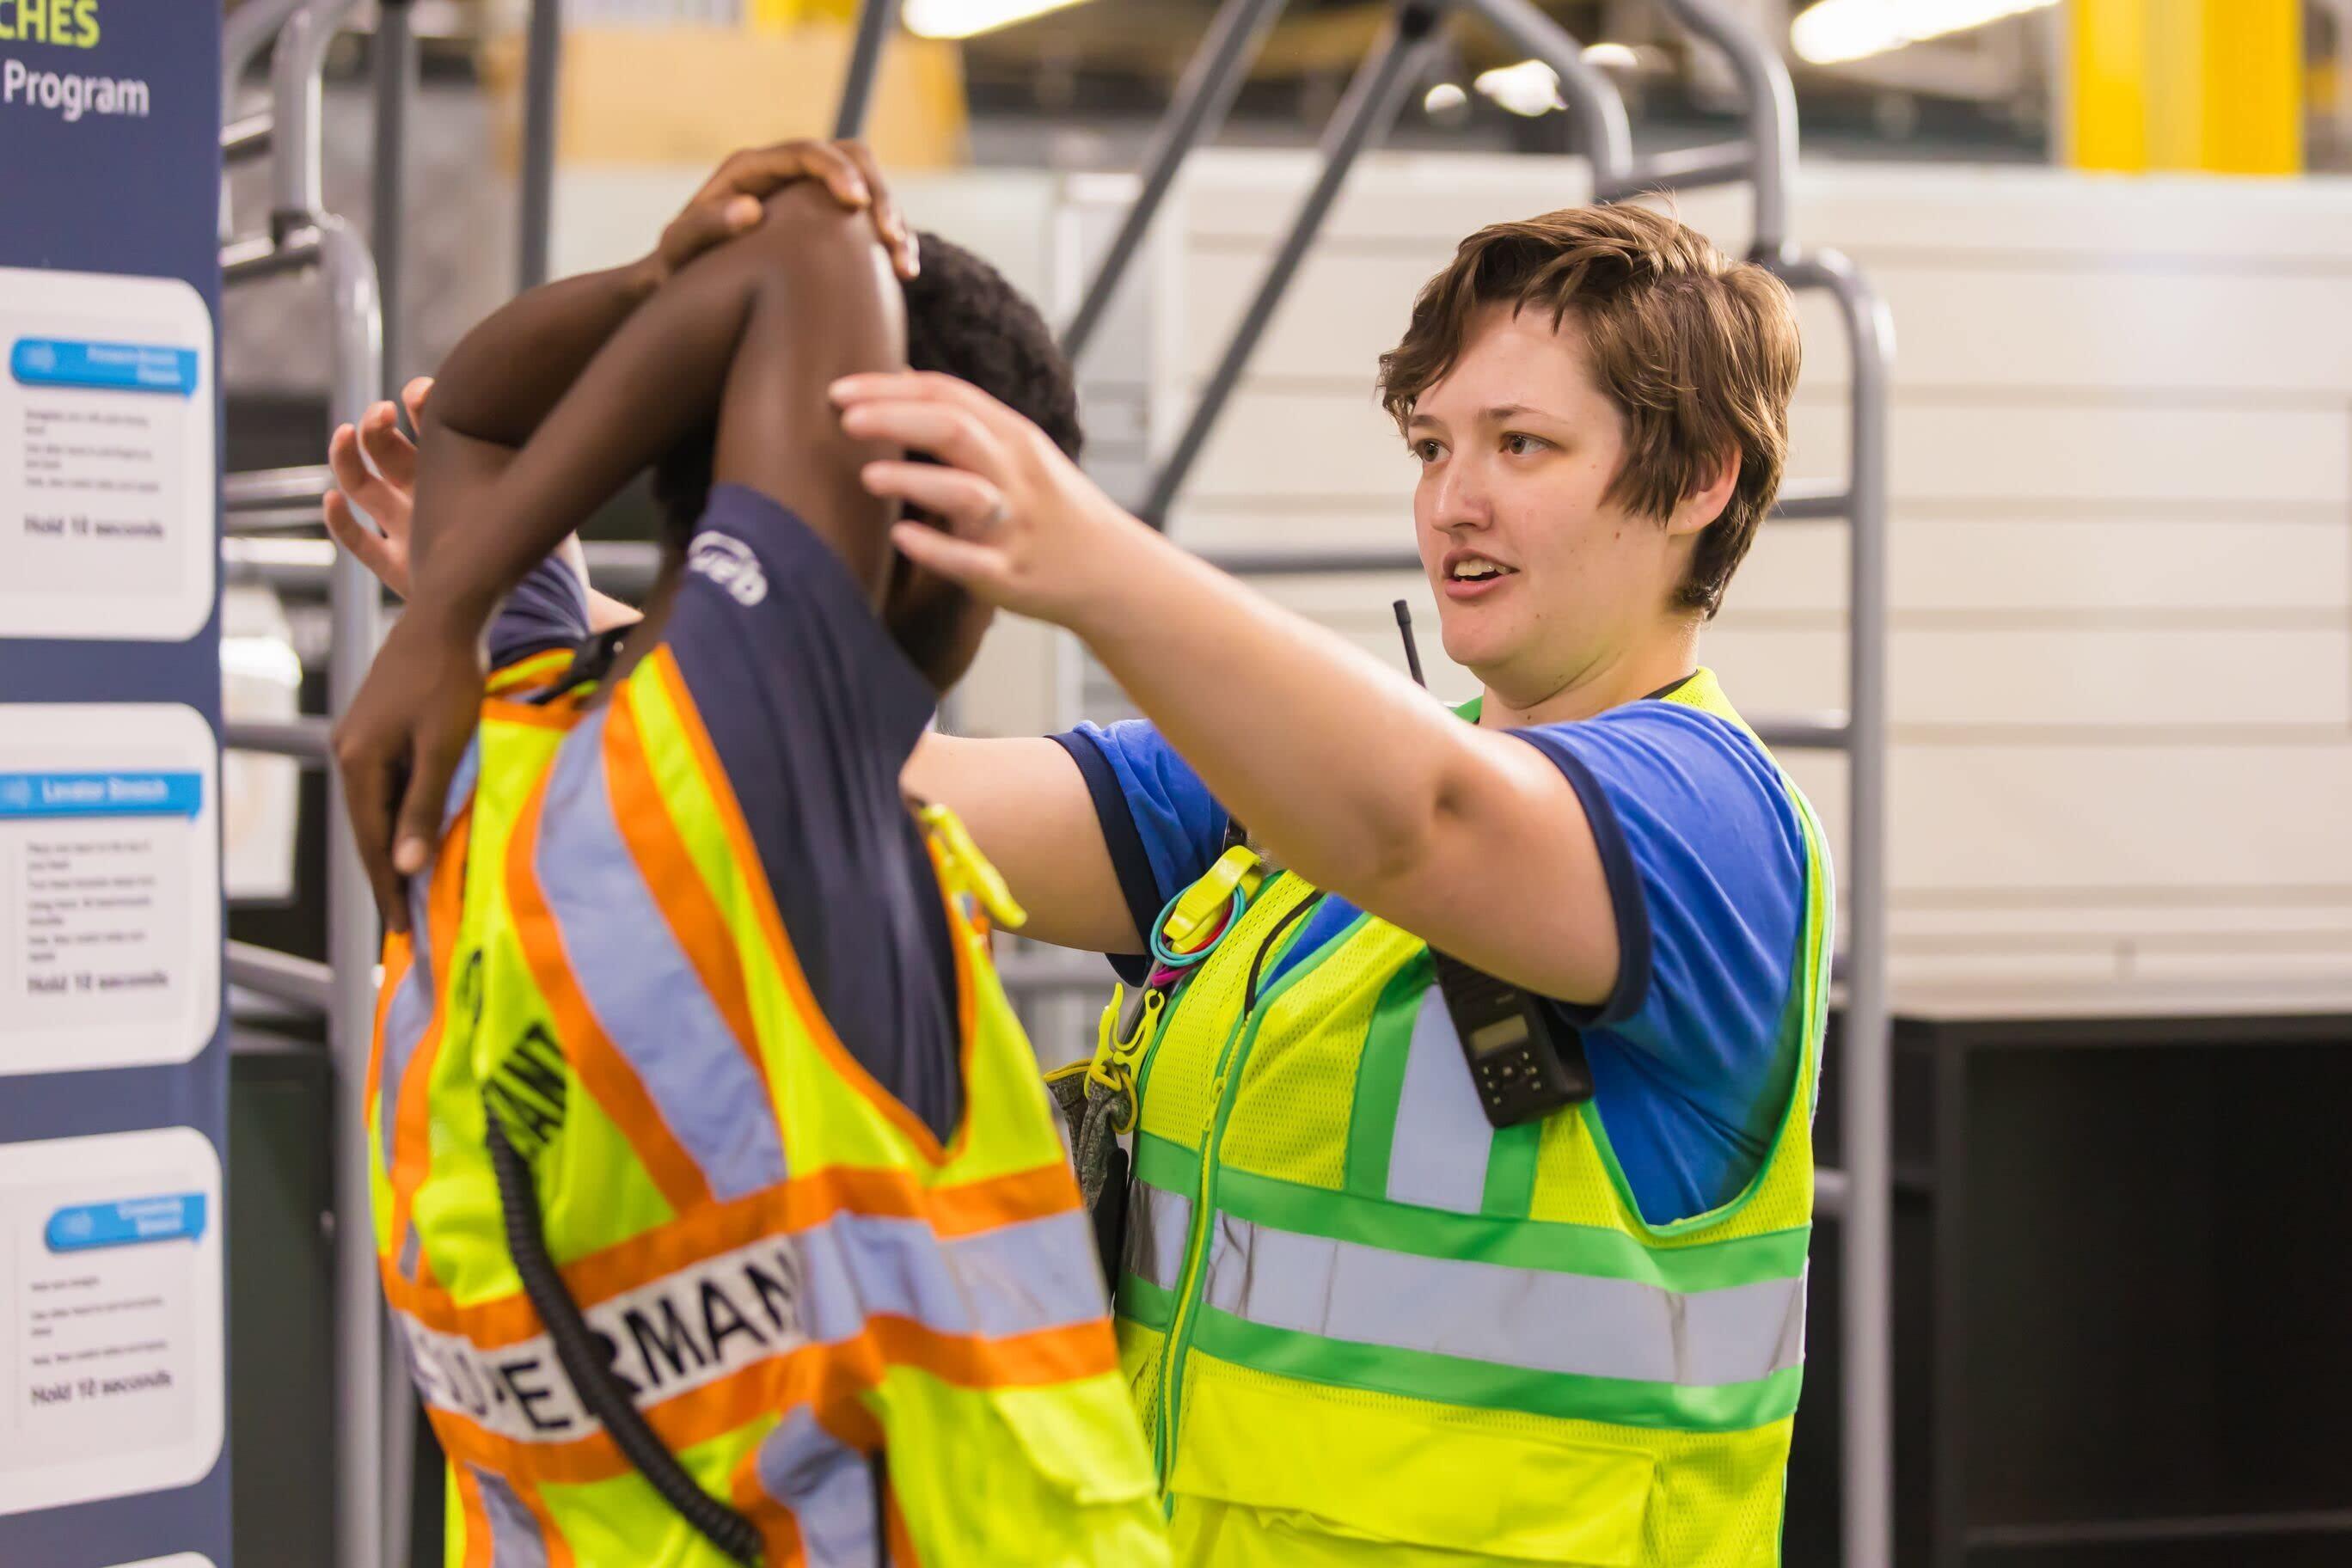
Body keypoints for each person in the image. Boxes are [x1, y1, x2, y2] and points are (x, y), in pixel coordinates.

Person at [336, 186, 1828, 1567]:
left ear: (1702, 480)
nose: (1453, 502)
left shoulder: (1710, 826)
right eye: (1435, 447)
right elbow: (868, 777)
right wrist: (556, 616)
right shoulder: (1262, 808)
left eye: (1523, 446)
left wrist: (1079, 550)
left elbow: (1428, 821)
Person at [339, 142, 1167, 1566]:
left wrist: (659, 287)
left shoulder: (490, 747)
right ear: (949, 527)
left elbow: (472, 419)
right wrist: (445, 603)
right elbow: (814, 242)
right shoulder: (757, 763)